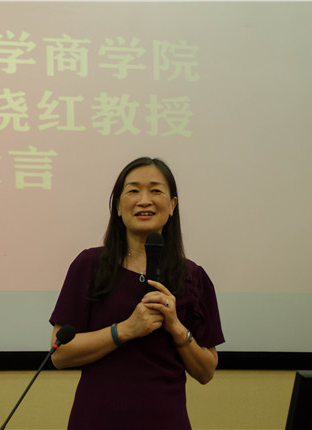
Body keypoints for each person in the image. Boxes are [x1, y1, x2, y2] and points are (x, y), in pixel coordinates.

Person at [49, 157, 225, 430]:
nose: (144, 200)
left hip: (166, 420)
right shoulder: (89, 265)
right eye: (133, 191)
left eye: (155, 190)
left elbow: (206, 371)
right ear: (118, 207)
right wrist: (126, 330)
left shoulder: (193, 276)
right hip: (97, 419)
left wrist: (176, 327)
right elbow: (59, 355)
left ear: (172, 205)